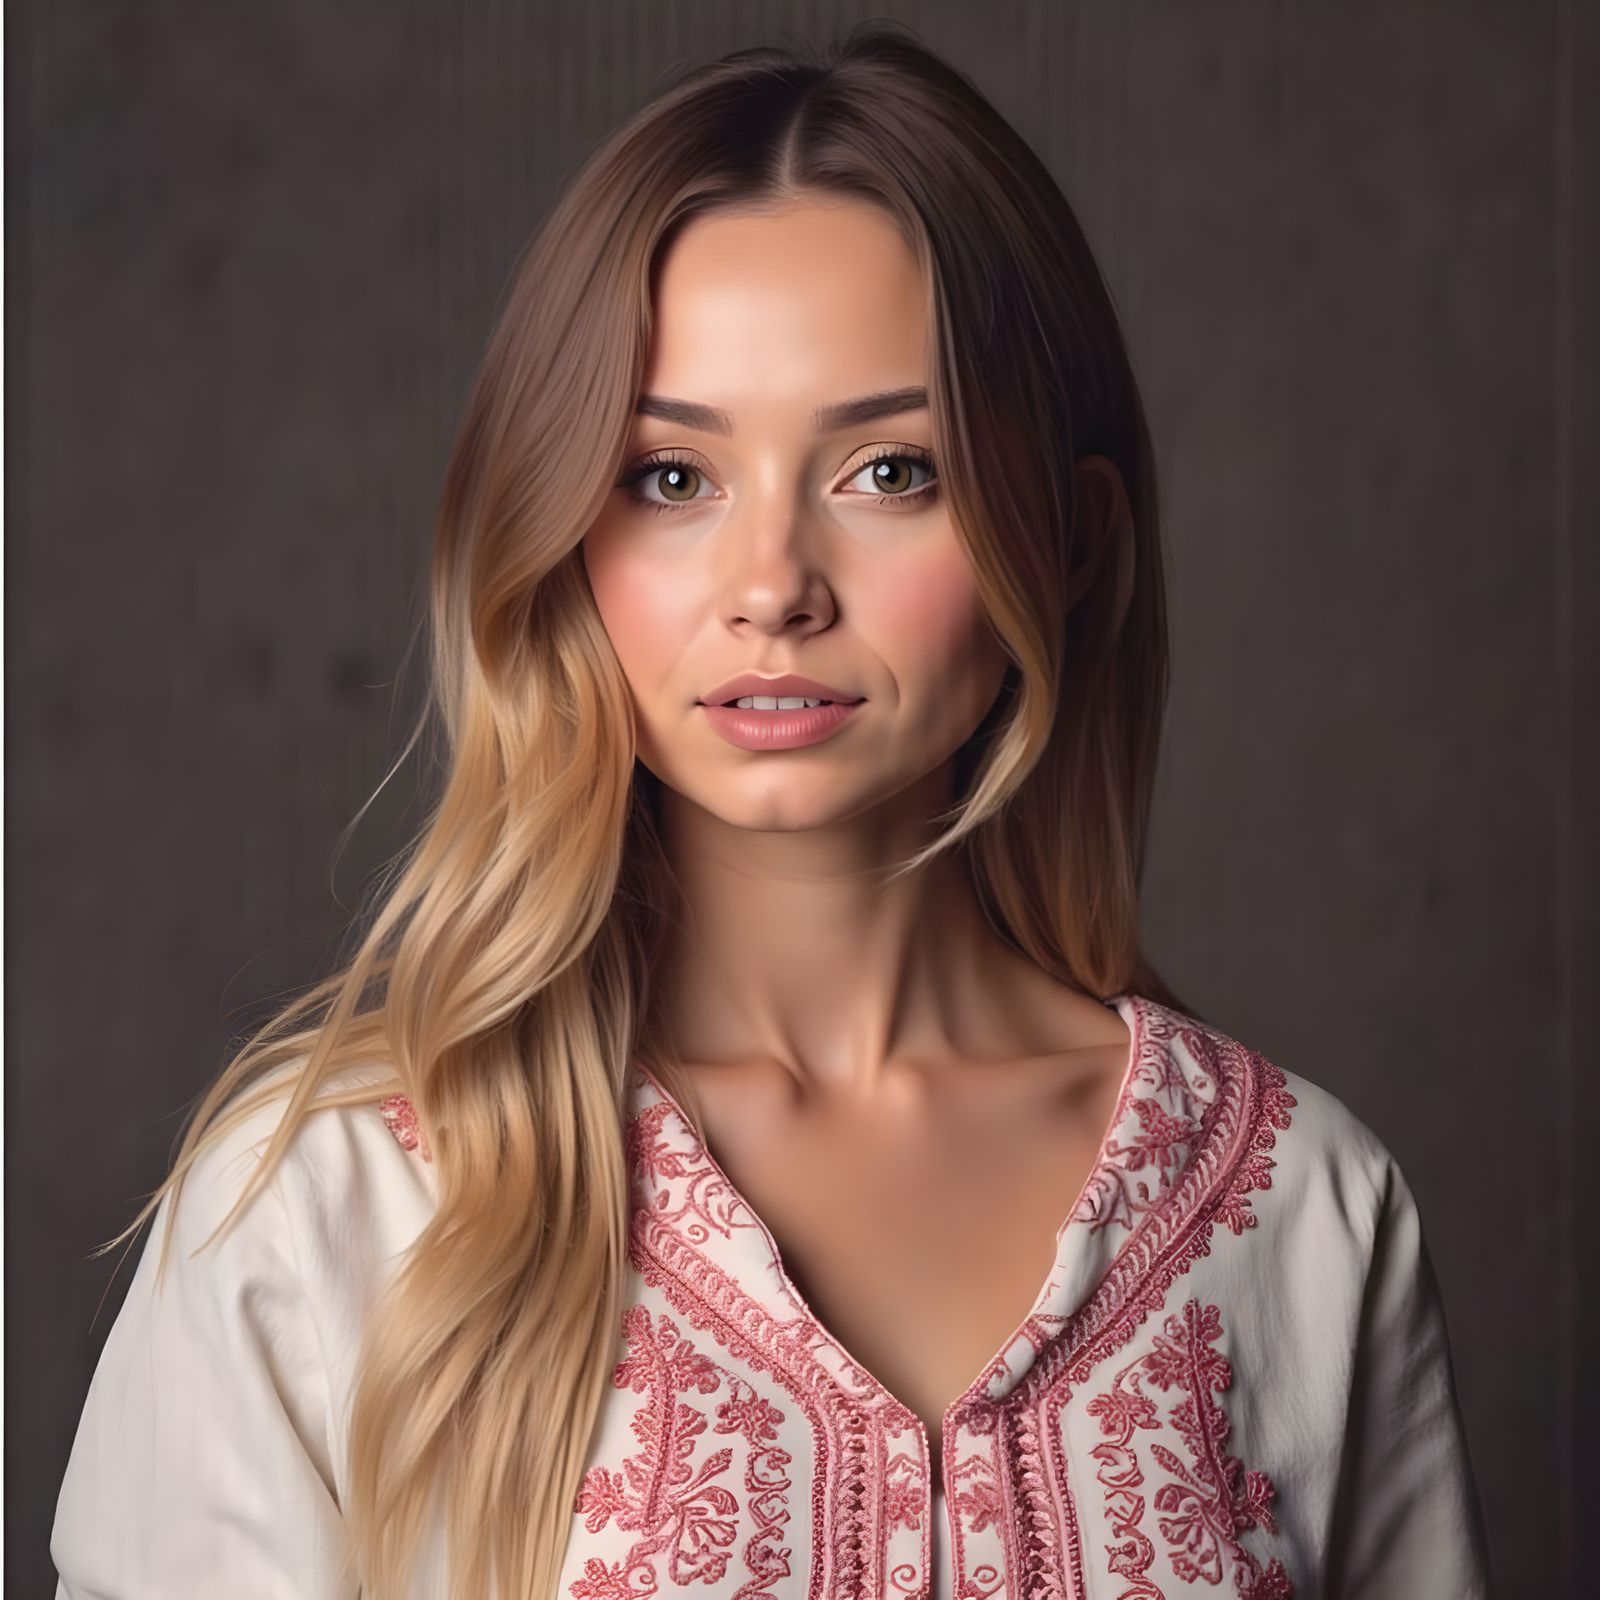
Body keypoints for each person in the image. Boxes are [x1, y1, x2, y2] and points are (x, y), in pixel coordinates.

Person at [50, 22, 1495, 1600]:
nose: (773, 588)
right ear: (561, 532)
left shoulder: (1305, 1214)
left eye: (890, 471)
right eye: (672, 478)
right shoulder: (331, 1212)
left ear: (1071, 540)